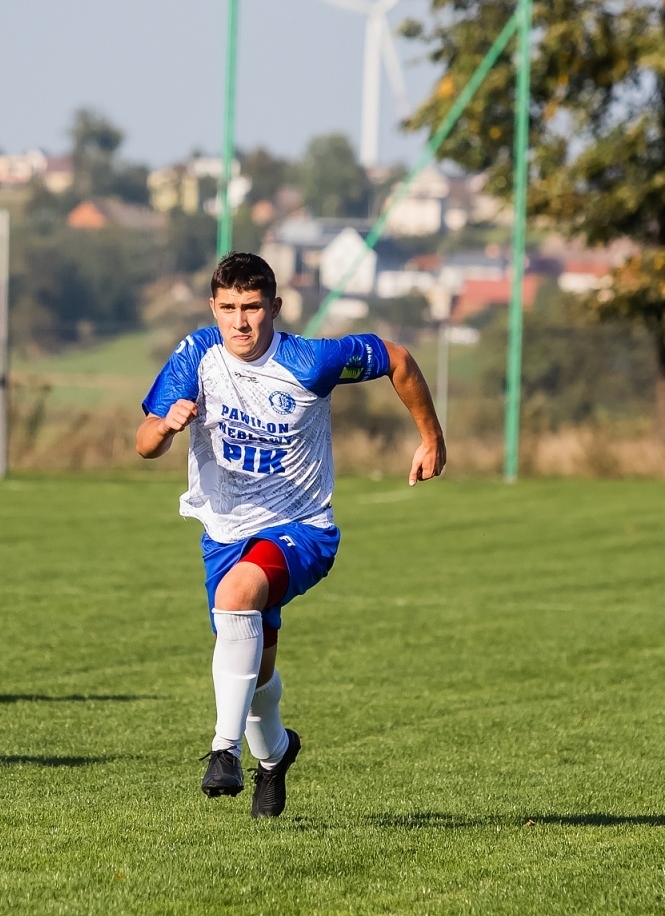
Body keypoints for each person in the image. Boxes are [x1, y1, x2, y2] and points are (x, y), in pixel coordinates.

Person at [137, 252, 445, 818]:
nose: (240, 322)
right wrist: (165, 427)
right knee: (256, 672)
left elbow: (397, 358)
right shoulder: (197, 354)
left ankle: (222, 751)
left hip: (301, 529)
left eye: (253, 307)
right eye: (229, 308)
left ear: (275, 307)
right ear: (213, 307)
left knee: (237, 597)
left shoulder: (310, 361)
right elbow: (144, 443)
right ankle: (275, 756)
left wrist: (431, 438)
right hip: (225, 533)